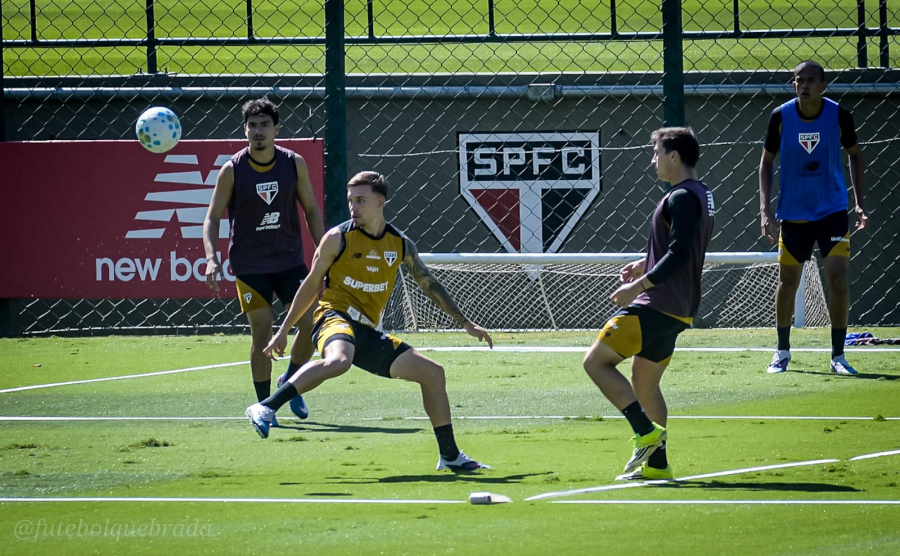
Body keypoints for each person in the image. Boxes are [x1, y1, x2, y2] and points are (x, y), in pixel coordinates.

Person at [245, 171, 494, 472]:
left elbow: (428, 284)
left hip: (367, 331)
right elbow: (311, 285)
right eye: (350, 200)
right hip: (332, 317)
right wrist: (284, 330)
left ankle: (450, 455)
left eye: (360, 201)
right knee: (339, 360)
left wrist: (465, 323)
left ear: (380, 202)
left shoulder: (399, 244)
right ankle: (266, 407)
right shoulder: (337, 238)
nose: (353, 207)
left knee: (433, 373)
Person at [582, 127, 715, 481]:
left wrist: (638, 285)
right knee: (644, 381)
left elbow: (680, 252)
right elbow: (682, 245)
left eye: (657, 152)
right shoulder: (698, 194)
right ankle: (657, 465)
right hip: (678, 308)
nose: (653, 159)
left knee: (595, 362)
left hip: (656, 303)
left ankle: (646, 432)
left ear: (675, 156)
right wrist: (644, 262)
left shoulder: (682, 196)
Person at [203, 98, 325, 423]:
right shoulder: (232, 169)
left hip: (289, 261)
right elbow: (212, 218)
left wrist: (323, 251)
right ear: (245, 129)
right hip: (250, 265)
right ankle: (264, 408)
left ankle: (290, 382)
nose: (258, 132)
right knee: (261, 334)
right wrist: (211, 259)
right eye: (253, 125)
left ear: (276, 129)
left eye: (265, 125)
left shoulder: (293, 163)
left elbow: (311, 208)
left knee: (309, 325)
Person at [758, 60, 869, 376]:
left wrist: (859, 203)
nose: (804, 86)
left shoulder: (839, 116)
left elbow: (856, 156)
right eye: (798, 80)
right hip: (793, 214)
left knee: (837, 278)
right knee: (788, 282)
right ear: (793, 85)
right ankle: (781, 352)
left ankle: (838, 356)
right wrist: (765, 210)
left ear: (823, 85)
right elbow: (765, 164)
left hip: (832, 211)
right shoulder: (780, 117)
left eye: (810, 80)